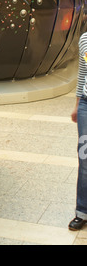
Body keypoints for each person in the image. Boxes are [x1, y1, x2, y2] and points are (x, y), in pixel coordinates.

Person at [69, 32, 87, 230]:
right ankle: (82, 211)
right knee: (85, 158)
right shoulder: (84, 39)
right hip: (86, 105)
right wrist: (77, 105)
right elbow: (83, 73)